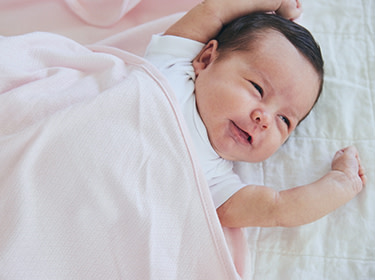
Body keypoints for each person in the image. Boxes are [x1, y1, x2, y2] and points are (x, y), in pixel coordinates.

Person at [144, 0, 366, 228]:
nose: (265, 119)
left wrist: (343, 182)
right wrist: (279, 4)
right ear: (207, 58)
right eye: (257, 88)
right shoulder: (171, 67)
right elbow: (214, 10)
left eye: (284, 120)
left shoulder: (214, 181)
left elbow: (278, 209)